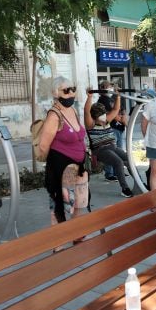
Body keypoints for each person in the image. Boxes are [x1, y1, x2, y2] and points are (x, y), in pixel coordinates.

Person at [38, 77, 89, 224]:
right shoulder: (54, 115)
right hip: (62, 168)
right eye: (66, 91)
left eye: (73, 89)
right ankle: (59, 244)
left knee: (80, 203)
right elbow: (43, 145)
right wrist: (53, 167)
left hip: (79, 165)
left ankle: (76, 234)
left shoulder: (71, 110)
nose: (71, 94)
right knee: (59, 207)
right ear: (55, 93)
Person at [85, 90, 133, 198]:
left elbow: (116, 109)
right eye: (100, 114)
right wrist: (89, 97)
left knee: (129, 159)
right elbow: (86, 112)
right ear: (95, 116)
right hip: (101, 150)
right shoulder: (90, 124)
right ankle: (125, 188)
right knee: (118, 162)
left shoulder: (107, 119)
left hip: (113, 147)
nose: (103, 116)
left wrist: (118, 96)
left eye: (104, 113)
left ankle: (138, 182)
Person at [97, 81, 118, 182]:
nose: (111, 88)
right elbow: (112, 112)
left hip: (115, 127)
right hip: (110, 127)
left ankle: (115, 172)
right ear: (104, 87)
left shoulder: (109, 98)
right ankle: (109, 173)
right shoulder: (103, 100)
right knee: (110, 152)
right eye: (110, 86)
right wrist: (121, 119)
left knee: (115, 151)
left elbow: (117, 109)